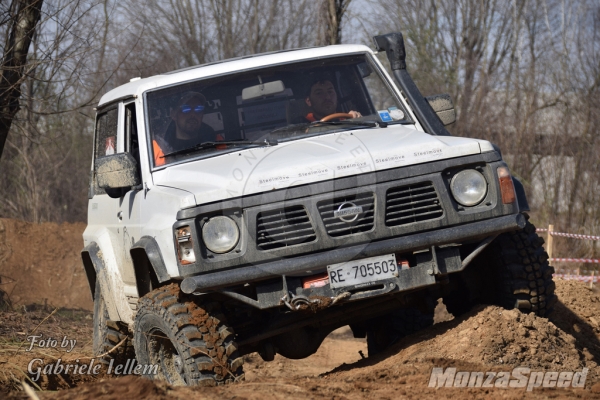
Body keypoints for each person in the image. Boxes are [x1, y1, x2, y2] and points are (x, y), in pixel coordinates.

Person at [153, 91, 223, 166]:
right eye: (186, 109)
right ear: (174, 114)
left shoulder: (215, 140)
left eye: (198, 109)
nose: (193, 114)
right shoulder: (160, 148)